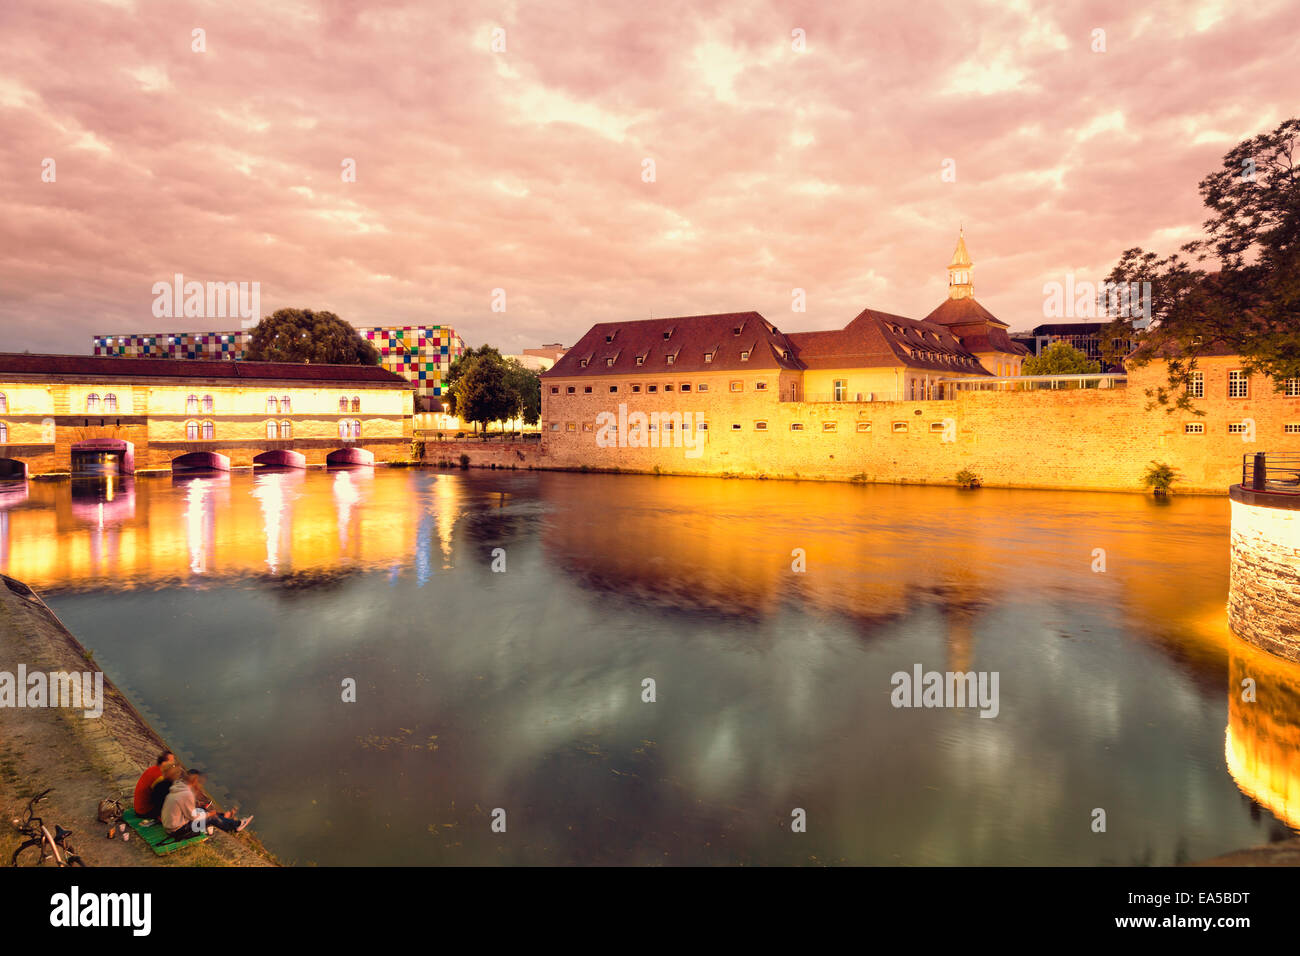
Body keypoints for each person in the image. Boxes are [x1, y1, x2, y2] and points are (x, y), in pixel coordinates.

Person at [161, 770, 252, 841]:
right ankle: (236, 826)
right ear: (194, 781)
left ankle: (224, 817)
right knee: (211, 818)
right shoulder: (187, 794)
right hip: (177, 830)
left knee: (202, 810)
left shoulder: (178, 787)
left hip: (169, 825)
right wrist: (209, 815)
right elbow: (194, 817)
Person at [132, 751, 175, 818]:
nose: (173, 763)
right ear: (164, 763)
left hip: (138, 806)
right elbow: (160, 800)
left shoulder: (153, 769)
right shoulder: (159, 777)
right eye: (171, 761)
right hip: (145, 811)